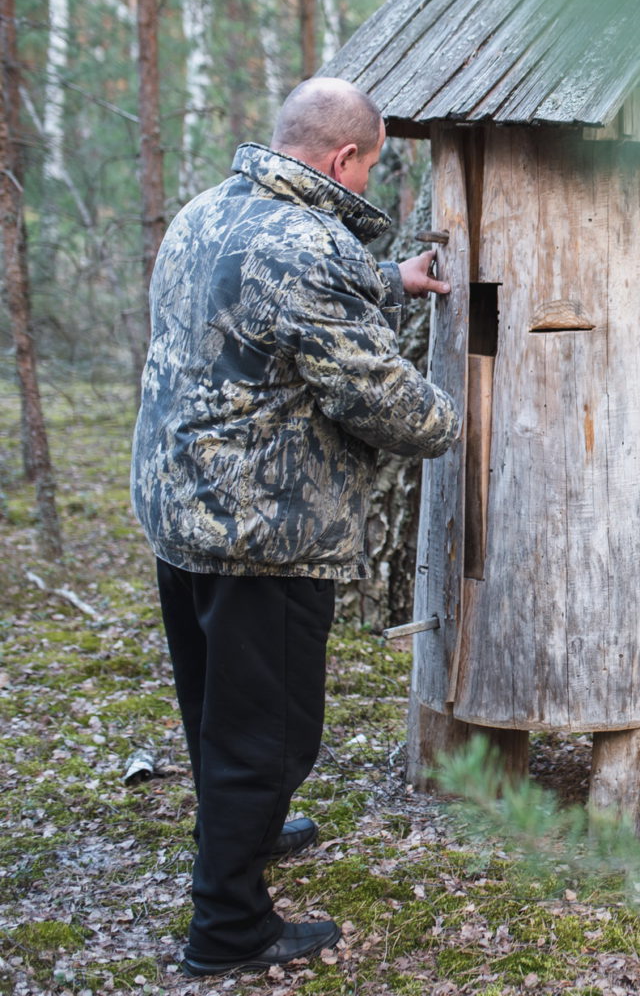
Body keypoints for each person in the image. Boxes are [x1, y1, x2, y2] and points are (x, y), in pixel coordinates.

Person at [129, 77, 461, 977]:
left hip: (181, 509)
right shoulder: (305, 245)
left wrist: (391, 281)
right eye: (371, 166)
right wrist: (467, 415)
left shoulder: (209, 210)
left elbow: (274, 307)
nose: (369, 182)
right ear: (345, 157)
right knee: (267, 734)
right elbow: (384, 401)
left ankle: (253, 832)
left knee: (216, 711)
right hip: (261, 532)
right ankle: (228, 929)